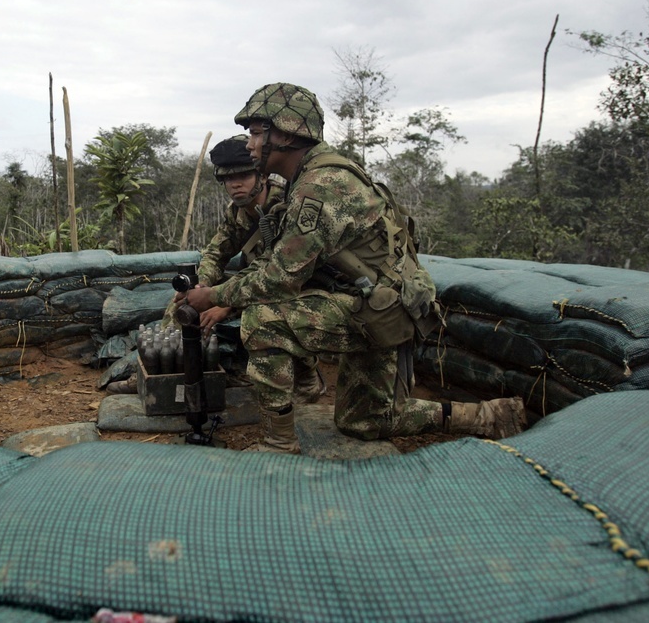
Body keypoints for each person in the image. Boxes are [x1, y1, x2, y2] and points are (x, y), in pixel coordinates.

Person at [184, 83, 525, 452]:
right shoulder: (312, 176)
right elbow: (277, 259)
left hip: (382, 310)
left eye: (254, 133)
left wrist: (213, 296)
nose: (249, 145)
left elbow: (279, 278)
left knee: (264, 320)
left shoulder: (320, 186)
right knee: (363, 422)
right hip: (373, 303)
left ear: (282, 134)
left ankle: (278, 445)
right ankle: (486, 416)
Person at [165, 135, 325, 403]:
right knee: (182, 300)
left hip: (297, 285)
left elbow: (282, 276)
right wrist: (202, 286)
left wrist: (226, 304)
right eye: (228, 179)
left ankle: (307, 373)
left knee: (266, 313)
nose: (235, 184)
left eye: (243, 176)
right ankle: (178, 369)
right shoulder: (237, 212)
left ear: (261, 175)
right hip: (250, 283)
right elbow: (216, 253)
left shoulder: (287, 206)